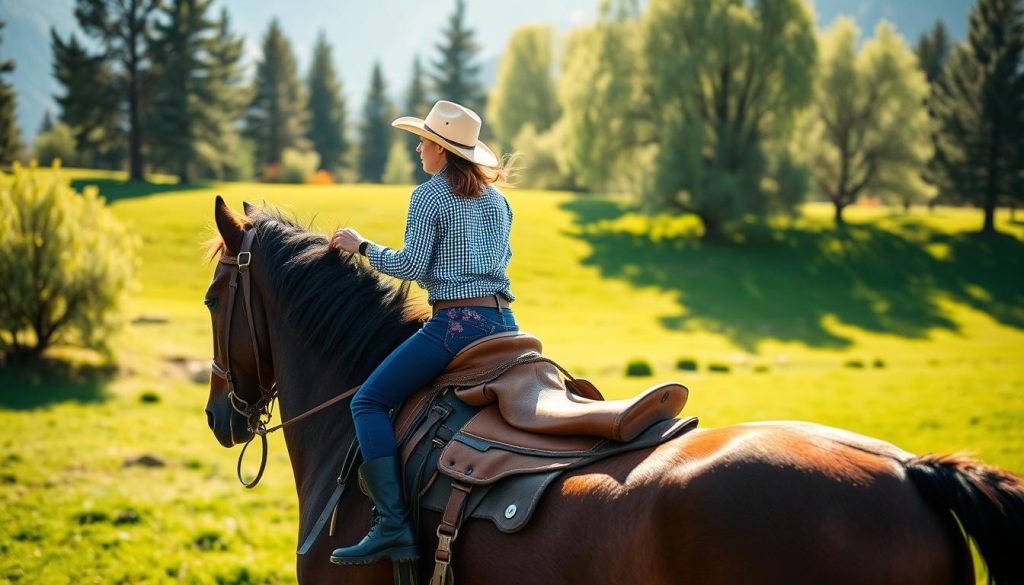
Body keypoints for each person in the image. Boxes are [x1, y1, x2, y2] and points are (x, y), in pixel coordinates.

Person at [327, 100, 518, 566]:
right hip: (505, 324)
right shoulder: (498, 201)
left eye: (423, 141)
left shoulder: (429, 195)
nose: (417, 148)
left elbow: (411, 266)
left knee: (367, 401)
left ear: (440, 149)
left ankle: (391, 523)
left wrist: (362, 246)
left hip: (453, 327)